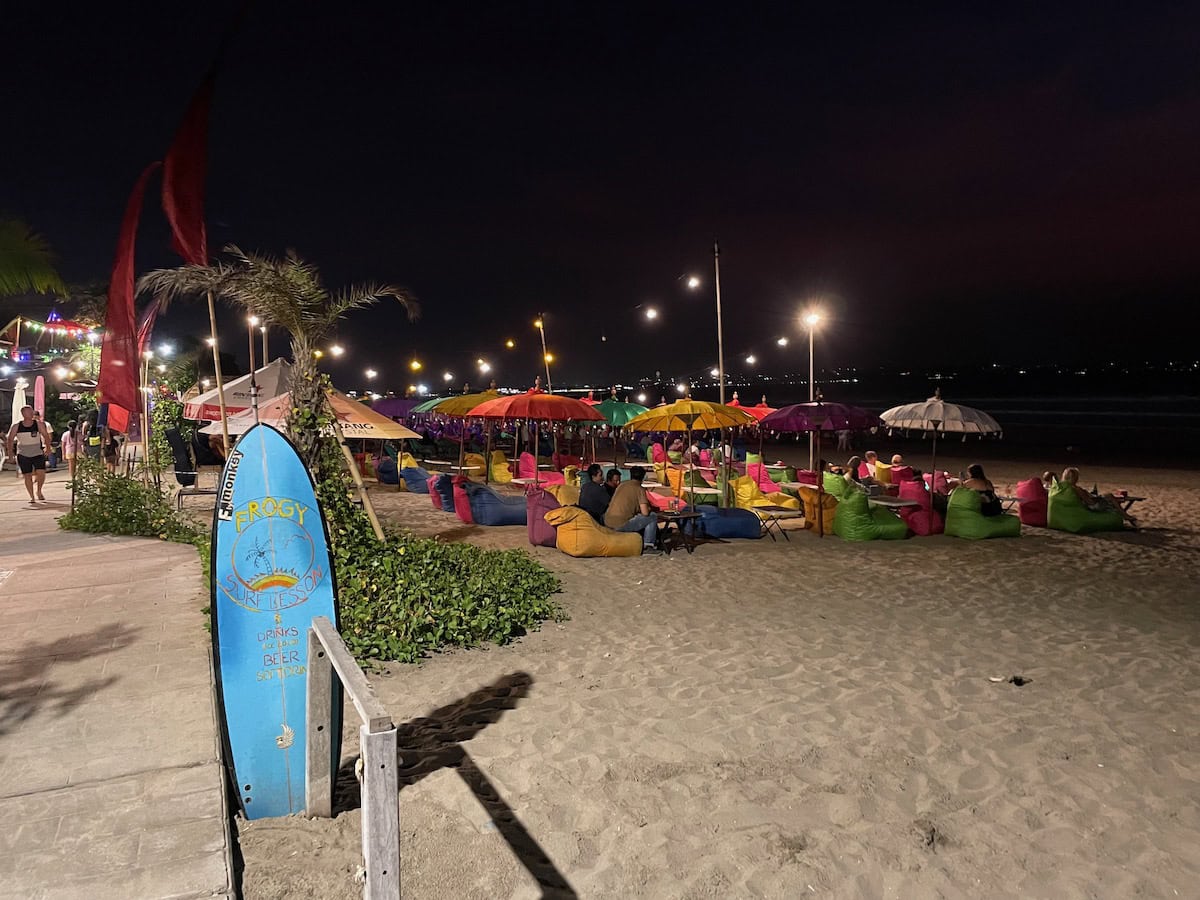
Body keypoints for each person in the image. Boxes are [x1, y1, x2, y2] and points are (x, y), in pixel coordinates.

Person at [604, 465, 660, 552]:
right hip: (620, 525)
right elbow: (645, 513)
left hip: (607, 521)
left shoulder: (621, 485)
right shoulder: (639, 489)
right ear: (642, 478)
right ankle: (648, 546)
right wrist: (649, 508)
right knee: (652, 516)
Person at [1061, 467, 1137, 526]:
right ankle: (1125, 515)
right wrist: (1096, 498)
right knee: (1109, 496)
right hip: (1094, 506)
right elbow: (1089, 501)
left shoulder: (1066, 487)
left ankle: (1123, 514)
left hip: (1091, 503)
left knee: (1109, 497)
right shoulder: (1076, 488)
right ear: (1074, 477)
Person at [6, 405, 51, 502]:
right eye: (28, 412)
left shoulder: (38, 424)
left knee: (41, 473)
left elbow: (46, 436)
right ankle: (32, 496)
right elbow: (9, 440)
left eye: (31, 412)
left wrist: (48, 448)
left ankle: (39, 491)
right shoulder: (16, 426)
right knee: (27, 475)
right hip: (23, 453)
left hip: (37, 452)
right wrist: (10, 454)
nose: (31, 414)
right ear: (23, 414)